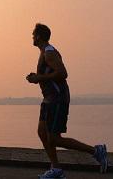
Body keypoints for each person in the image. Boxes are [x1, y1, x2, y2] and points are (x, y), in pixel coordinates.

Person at [26, 23, 108, 179]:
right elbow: (50, 74)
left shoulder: (49, 53)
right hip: (48, 99)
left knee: (55, 139)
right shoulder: (43, 52)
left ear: (38, 36)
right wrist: (37, 78)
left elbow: (63, 73)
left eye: (33, 34)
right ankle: (56, 169)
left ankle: (97, 151)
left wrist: (40, 77)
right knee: (42, 132)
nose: (31, 37)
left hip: (58, 99)